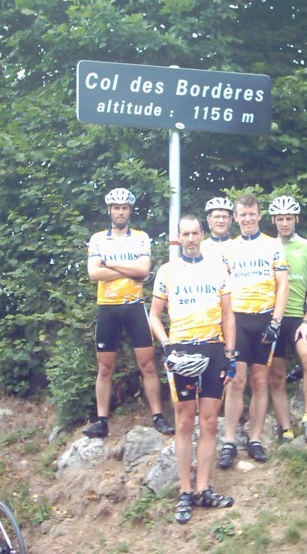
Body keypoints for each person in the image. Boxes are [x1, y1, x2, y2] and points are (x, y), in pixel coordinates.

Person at [149, 214, 236, 523]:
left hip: (213, 349)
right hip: (182, 350)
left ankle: (203, 489)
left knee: (211, 422)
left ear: (202, 235)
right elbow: (154, 316)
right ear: (178, 237)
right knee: (185, 422)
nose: (190, 238)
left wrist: (230, 354)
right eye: (184, 234)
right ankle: (185, 491)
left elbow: (229, 315)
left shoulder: (218, 268)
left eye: (194, 233)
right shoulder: (167, 271)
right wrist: (166, 344)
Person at [82, 188, 175, 439]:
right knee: (104, 367)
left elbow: (144, 270)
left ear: (130, 211)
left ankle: (157, 416)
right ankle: (101, 420)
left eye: (124, 207)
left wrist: (109, 264)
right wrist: (129, 270)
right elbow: (93, 274)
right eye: (116, 207)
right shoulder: (98, 238)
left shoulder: (141, 237)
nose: (120, 211)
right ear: (109, 210)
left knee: (147, 364)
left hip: (135, 306)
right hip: (107, 307)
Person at [218, 194, 289, 468]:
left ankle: (256, 438)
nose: (247, 218)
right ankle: (229, 440)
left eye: (252, 214)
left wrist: (276, 322)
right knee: (236, 380)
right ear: (235, 218)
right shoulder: (229, 249)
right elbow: (222, 290)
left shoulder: (274, 246)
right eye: (242, 214)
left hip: (265, 320)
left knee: (260, 381)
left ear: (259, 216)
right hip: (238, 320)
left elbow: (283, 285)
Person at [267, 196, 307, 444]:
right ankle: (286, 429)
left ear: (296, 219)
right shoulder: (266, 247)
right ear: (273, 220)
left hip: (297, 318)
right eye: (280, 219)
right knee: (276, 375)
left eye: (289, 218)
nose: (284, 223)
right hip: (271, 319)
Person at [201, 196, 235, 265]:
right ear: (209, 219)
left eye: (224, 217)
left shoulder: (237, 247)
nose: (221, 221)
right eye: (217, 217)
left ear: (230, 219)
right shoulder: (200, 248)